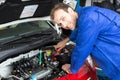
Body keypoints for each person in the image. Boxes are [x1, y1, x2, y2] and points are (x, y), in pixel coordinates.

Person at [50, 3, 120, 80]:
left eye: (63, 18)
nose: (64, 25)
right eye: (60, 24)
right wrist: (66, 40)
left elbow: (82, 48)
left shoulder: (89, 18)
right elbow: (81, 30)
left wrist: (72, 68)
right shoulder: (85, 14)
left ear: (70, 11)